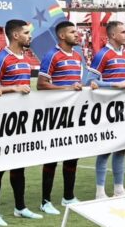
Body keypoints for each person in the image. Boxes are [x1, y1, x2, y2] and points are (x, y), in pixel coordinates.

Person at [0, 19, 41, 223]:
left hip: (21, 121)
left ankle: (20, 207)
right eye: (26, 33)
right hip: (2, 122)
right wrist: (13, 88)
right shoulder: (2, 59)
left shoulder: (25, 59)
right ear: (16, 35)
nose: (30, 36)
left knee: (19, 165)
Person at [37, 20, 92, 210]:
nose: (77, 35)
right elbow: (41, 84)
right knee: (52, 157)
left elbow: (76, 83)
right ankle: (46, 201)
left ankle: (68, 197)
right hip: (54, 114)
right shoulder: (52, 55)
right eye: (72, 32)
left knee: (72, 156)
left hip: (73, 114)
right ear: (62, 36)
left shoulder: (77, 56)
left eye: (77, 32)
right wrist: (66, 88)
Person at [89, 21, 125, 198]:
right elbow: (90, 81)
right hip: (106, 109)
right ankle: (100, 191)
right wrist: (115, 84)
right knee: (105, 149)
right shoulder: (103, 54)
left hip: (124, 110)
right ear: (113, 35)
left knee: (121, 148)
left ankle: (118, 189)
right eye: (123, 32)